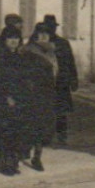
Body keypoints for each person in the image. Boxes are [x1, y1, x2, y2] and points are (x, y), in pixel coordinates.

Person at [18, 24, 59, 171]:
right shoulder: (28, 50)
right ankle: (25, 151)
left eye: (46, 34)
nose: (43, 37)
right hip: (31, 93)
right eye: (40, 34)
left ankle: (37, 156)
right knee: (30, 124)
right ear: (35, 35)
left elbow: (55, 73)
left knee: (42, 126)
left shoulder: (51, 51)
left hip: (47, 94)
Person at [0, 27, 28, 175]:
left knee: (16, 131)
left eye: (16, 39)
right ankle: (4, 164)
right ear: (5, 40)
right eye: (10, 38)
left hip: (19, 99)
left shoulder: (20, 56)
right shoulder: (0, 57)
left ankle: (13, 162)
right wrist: (7, 96)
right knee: (5, 131)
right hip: (4, 99)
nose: (13, 41)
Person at [40, 15, 79, 145]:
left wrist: (73, 80)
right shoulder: (40, 43)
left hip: (61, 82)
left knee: (61, 111)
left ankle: (62, 136)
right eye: (48, 27)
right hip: (45, 82)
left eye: (53, 27)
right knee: (45, 110)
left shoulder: (63, 43)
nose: (51, 30)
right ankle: (46, 137)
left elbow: (70, 62)